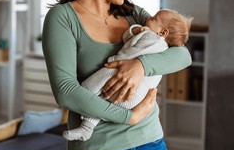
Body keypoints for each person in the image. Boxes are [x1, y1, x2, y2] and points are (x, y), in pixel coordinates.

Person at [42, 0, 192, 150]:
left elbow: (183, 56)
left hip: (151, 149)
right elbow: (65, 90)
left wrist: (141, 65)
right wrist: (128, 117)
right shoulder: (63, 18)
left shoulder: (133, 14)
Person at [63, 9, 193, 141]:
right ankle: (87, 128)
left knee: (90, 87)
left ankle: (84, 106)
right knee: (103, 99)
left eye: (154, 18)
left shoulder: (152, 38)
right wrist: (138, 31)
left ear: (163, 32)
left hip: (127, 85)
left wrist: (117, 60)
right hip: (132, 100)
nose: (148, 18)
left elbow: (131, 51)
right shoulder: (164, 48)